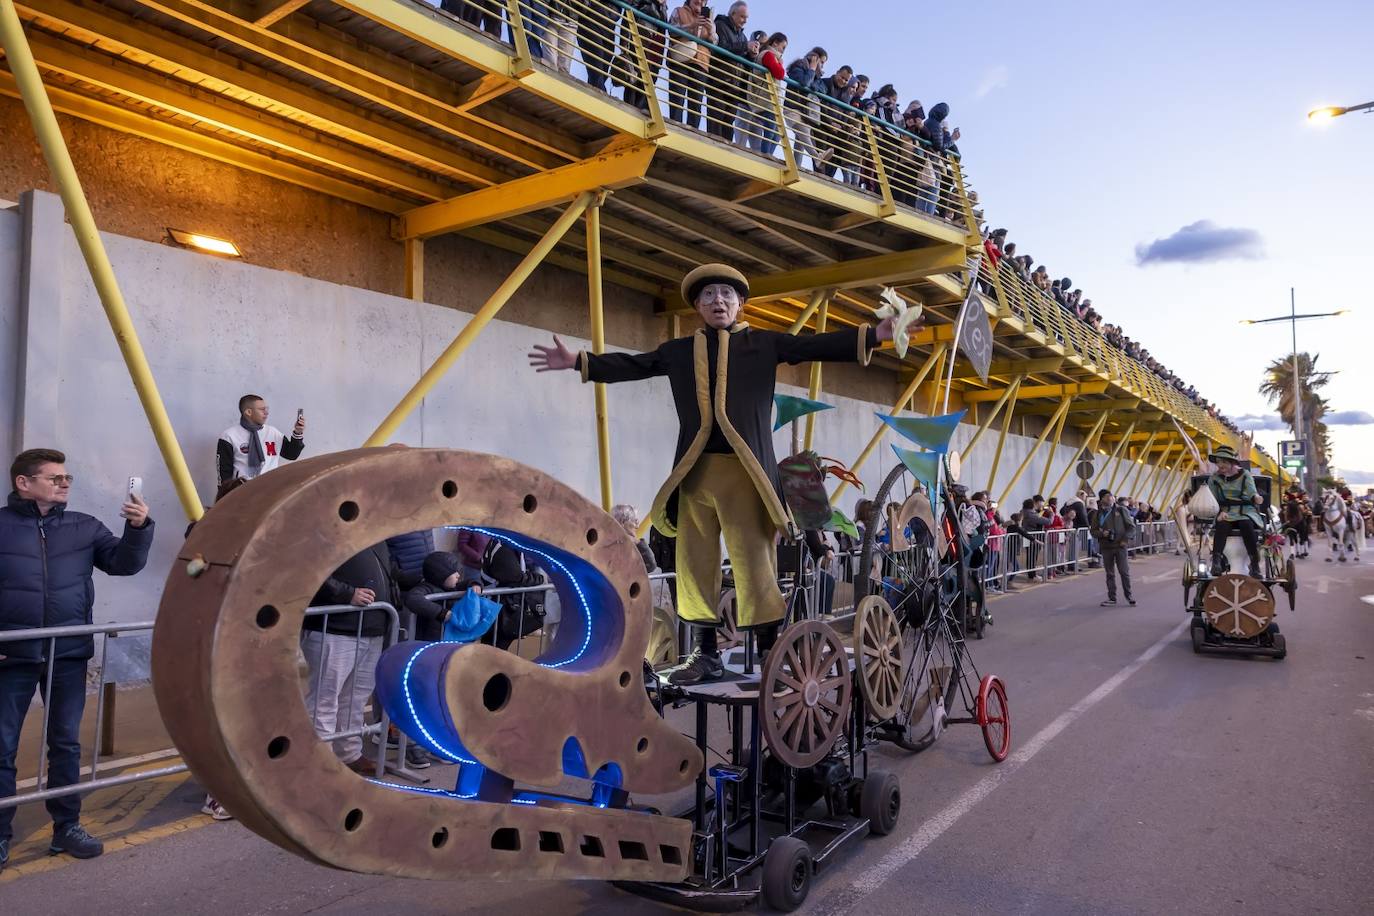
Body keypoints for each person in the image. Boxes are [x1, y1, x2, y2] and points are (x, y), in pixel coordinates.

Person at [529, 262, 919, 683]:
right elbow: (634, 365)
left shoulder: (763, 344)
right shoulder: (678, 351)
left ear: (740, 304)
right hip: (695, 473)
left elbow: (811, 346)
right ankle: (705, 653)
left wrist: (874, 335)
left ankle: (771, 649)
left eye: (727, 294)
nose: (719, 301)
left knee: (755, 561)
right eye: (710, 295)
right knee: (695, 562)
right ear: (697, 305)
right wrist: (579, 362)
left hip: (747, 474)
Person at [1, 449, 154, 870]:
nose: (65, 483)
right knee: (1, 747)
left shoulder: (84, 527)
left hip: (66, 656)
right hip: (9, 658)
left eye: (67, 478)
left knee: (66, 745)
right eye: (55, 478)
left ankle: (66, 827)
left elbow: (123, 564)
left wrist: (138, 528)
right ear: (24, 482)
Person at [302, 542, 402, 774]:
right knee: (325, 700)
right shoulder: (326, 531)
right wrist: (346, 593)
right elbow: (308, 568)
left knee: (356, 698)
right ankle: (319, 762)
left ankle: (348, 753)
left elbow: (392, 574)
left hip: (372, 628)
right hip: (335, 629)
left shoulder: (377, 539)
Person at [216, 394, 305, 497]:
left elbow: (291, 454)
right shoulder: (229, 436)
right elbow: (224, 472)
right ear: (248, 412)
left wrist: (298, 432)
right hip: (242, 492)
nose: (266, 412)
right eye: (262, 409)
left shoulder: (273, 433)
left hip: (271, 490)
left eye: (266, 409)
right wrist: (225, 495)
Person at [1206, 445, 1263, 577]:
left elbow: (1252, 493)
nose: (1220, 465)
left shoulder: (1245, 475)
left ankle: (1254, 565)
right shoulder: (1213, 479)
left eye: (1224, 462)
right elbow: (1212, 500)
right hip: (1225, 511)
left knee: (1246, 524)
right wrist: (1218, 513)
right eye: (1218, 461)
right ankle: (1216, 563)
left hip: (1245, 511)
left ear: (1232, 463)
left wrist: (1256, 498)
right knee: (1222, 524)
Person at [707, 2, 752, 142]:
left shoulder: (743, 37)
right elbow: (721, 47)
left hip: (734, 86)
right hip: (719, 81)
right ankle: (713, 149)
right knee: (716, 119)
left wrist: (752, 55)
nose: (745, 20)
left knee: (728, 122)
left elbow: (744, 62)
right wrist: (745, 46)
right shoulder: (720, 25)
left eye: (747, 18)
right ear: (733, 14)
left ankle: (726, 151)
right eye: (742, 17)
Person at [667, 0, 715, 128]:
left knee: (696, 103)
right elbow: (671, 30)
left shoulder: (709, 19)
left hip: (701, 63)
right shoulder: (679, 11)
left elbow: (715, 42)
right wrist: (691, 25)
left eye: (703, 1)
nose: (699, 3)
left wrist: (711, 32)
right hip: (681, 60)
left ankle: (693, 131)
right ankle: (676, 127)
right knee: (677, 97)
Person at [1091, 488, 1136, 606]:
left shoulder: (1121, 510)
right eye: (1106, 496)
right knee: (1109, 573)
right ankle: (1112, 598)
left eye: (1111, 496)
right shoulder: (1098, 513)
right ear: (1101, 500)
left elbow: (1131, 527)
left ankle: (1129, 596)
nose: (1110, 498)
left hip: (1120, 546)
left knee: (1124, 572)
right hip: (1106, 547)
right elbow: (1093, 531)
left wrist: (1125, 539)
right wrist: (1102, 534)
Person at [612, 503, 657, 573]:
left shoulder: (635, 545)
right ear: (622, 522)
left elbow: (651, 566)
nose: (637, 526)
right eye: (634, 521)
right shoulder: (610, 543)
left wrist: (638, 542)